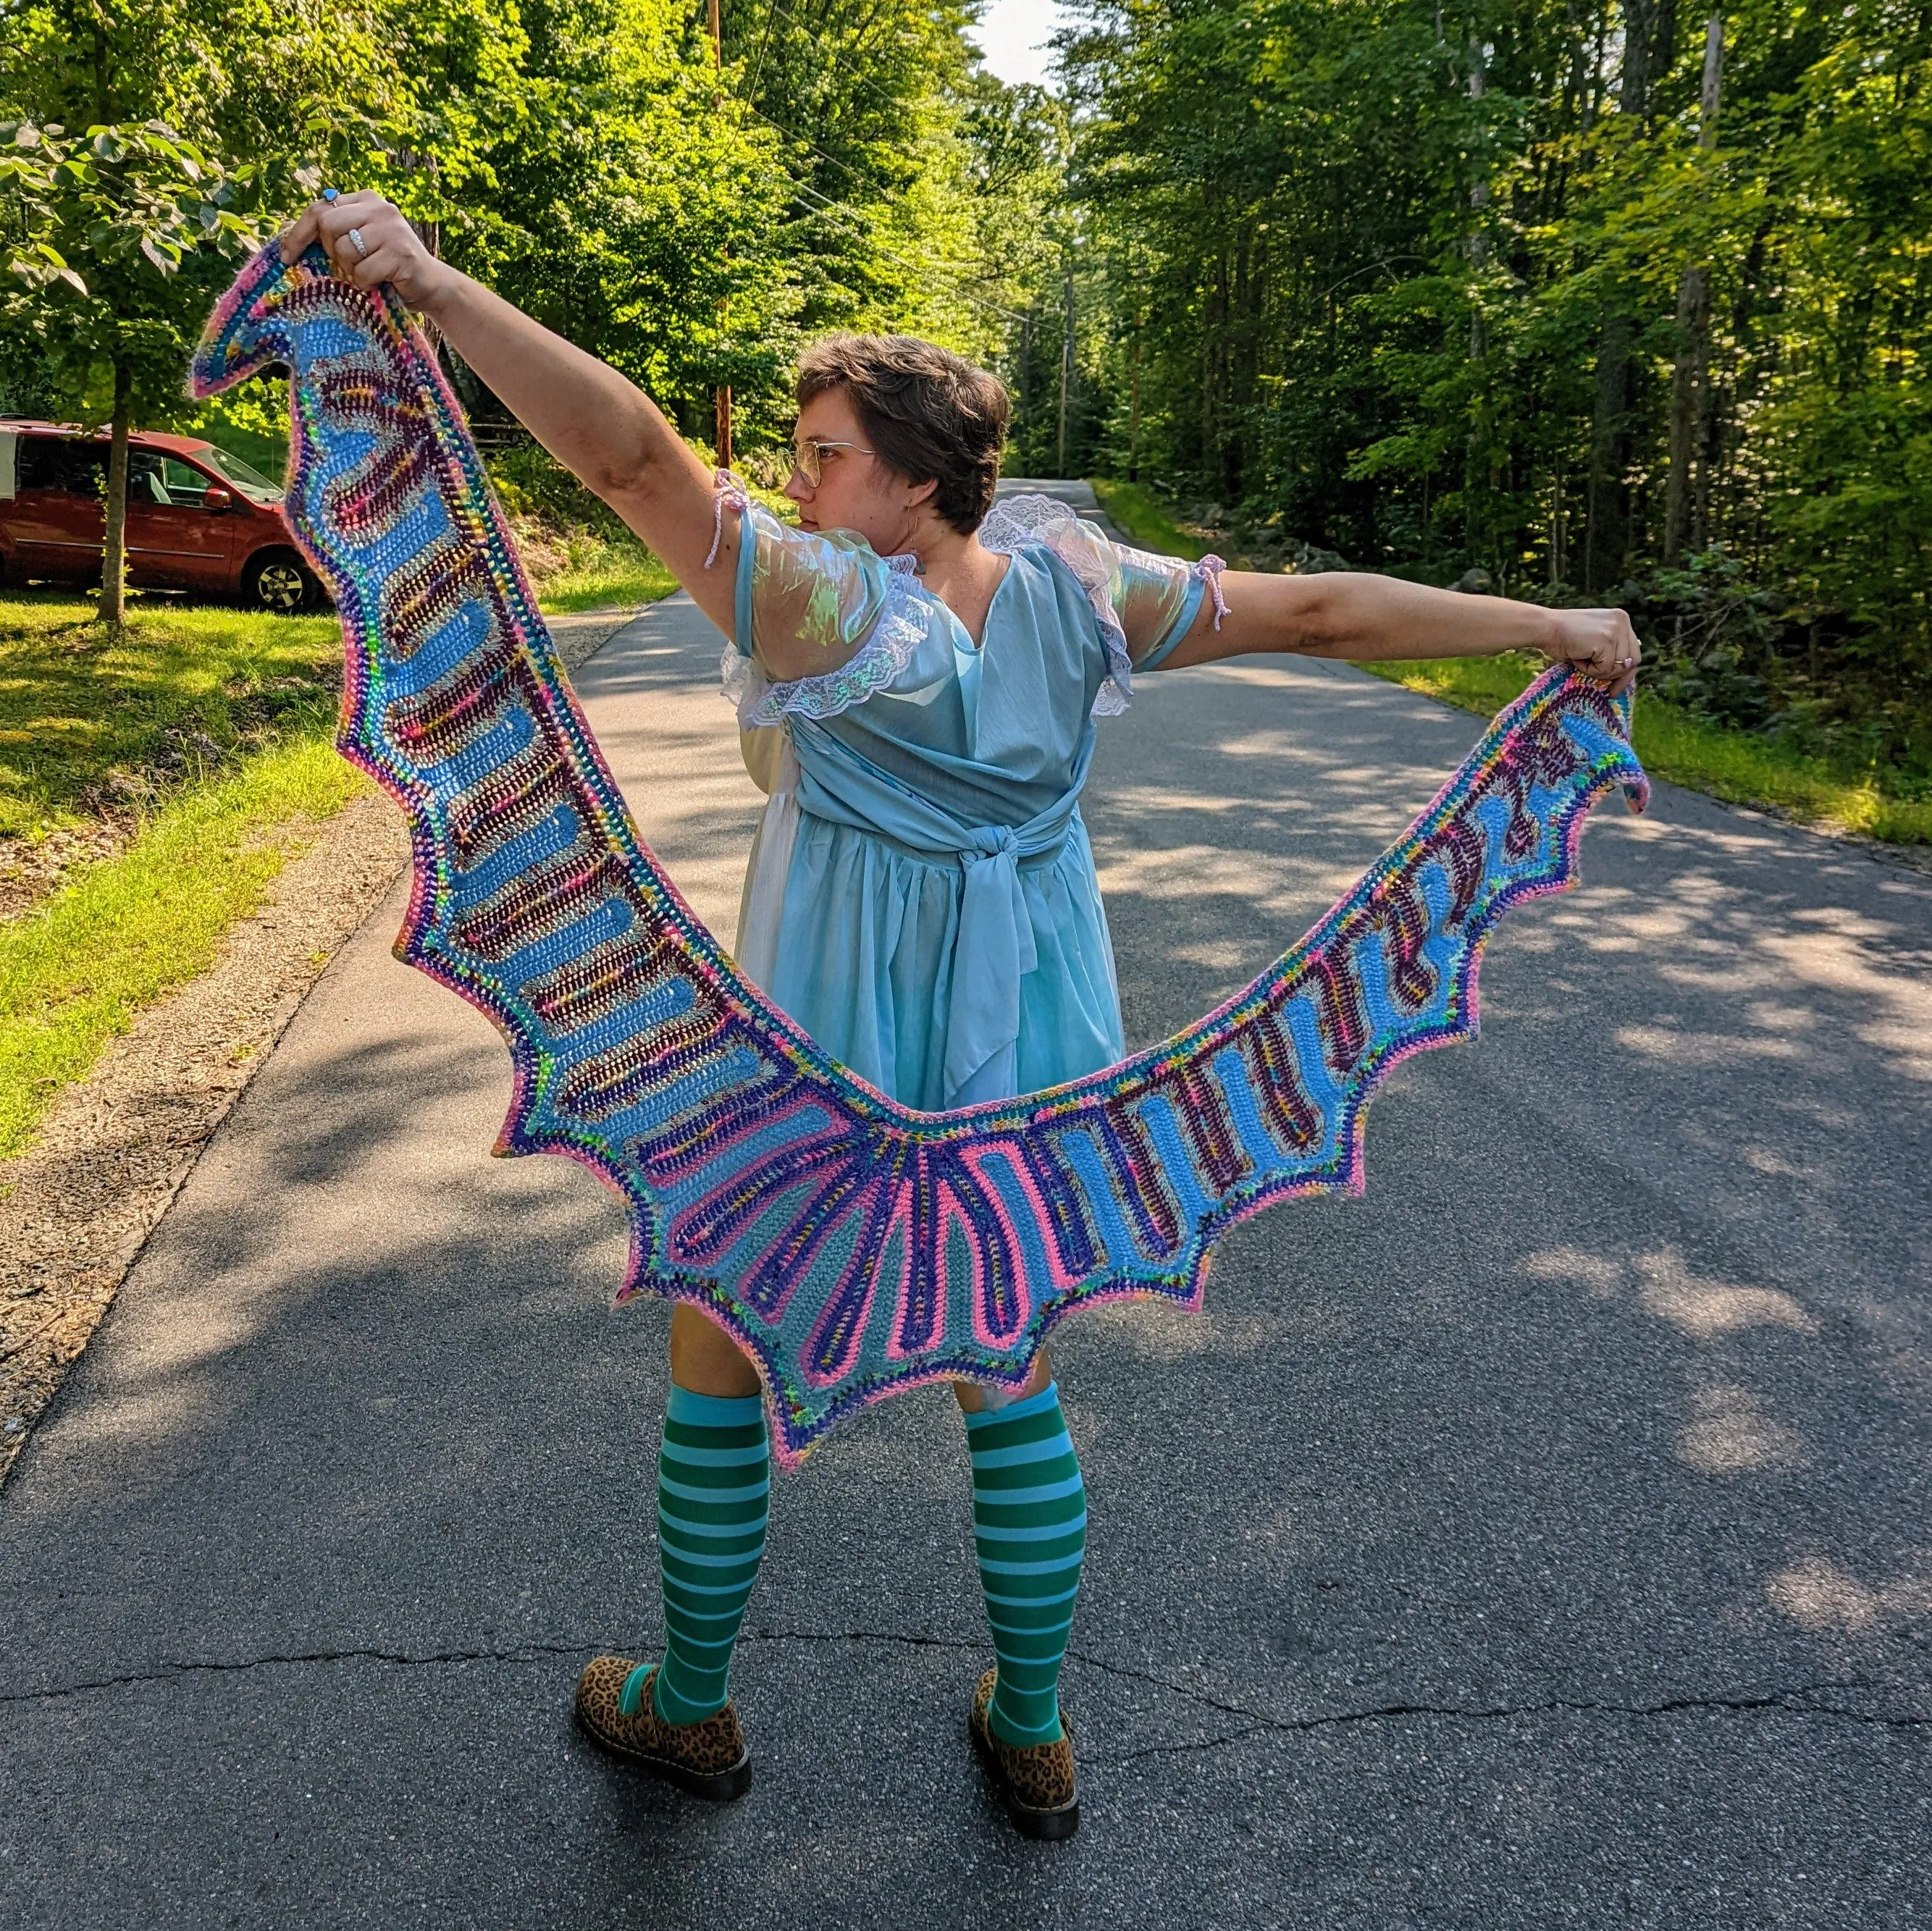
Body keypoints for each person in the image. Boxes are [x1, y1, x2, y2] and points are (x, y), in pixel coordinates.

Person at [277, 194, 1641, 1840]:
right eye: (793, 452)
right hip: (1037, 1032)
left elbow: (631, 462)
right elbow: (1324, 613)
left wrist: (432, 287)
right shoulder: (1083, 597)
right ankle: (1034, 1728)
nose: (794, 479)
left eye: (825, 452)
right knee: (1011, 1358)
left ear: (917, 479)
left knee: (724, 1335)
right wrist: (1550, 628)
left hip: (822, 1040)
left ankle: (690, 1709)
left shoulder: (827, 610)